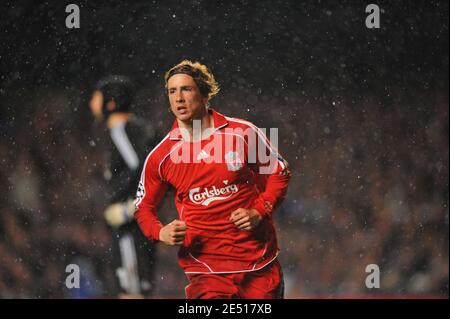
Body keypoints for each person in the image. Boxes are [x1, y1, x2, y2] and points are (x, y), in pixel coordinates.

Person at [134, 61, 291, 299]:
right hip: (206, 271)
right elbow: (143, 207)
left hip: (258, 263)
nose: (178, 98)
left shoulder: (242, 133)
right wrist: (160, 232)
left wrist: (259, 210)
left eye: (186, 89)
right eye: (172, 91)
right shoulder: (161, 156)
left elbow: (279, 172)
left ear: (205, 94)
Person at [89, 75, 158, 298]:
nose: (92, 103)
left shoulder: (122, 129)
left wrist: (129, 209)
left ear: (111, 102)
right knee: (135, 290)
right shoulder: (136, 128)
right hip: (138, 227)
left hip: (131, 229)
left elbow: (143, 165)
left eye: (96, 98)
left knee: (131, 292)